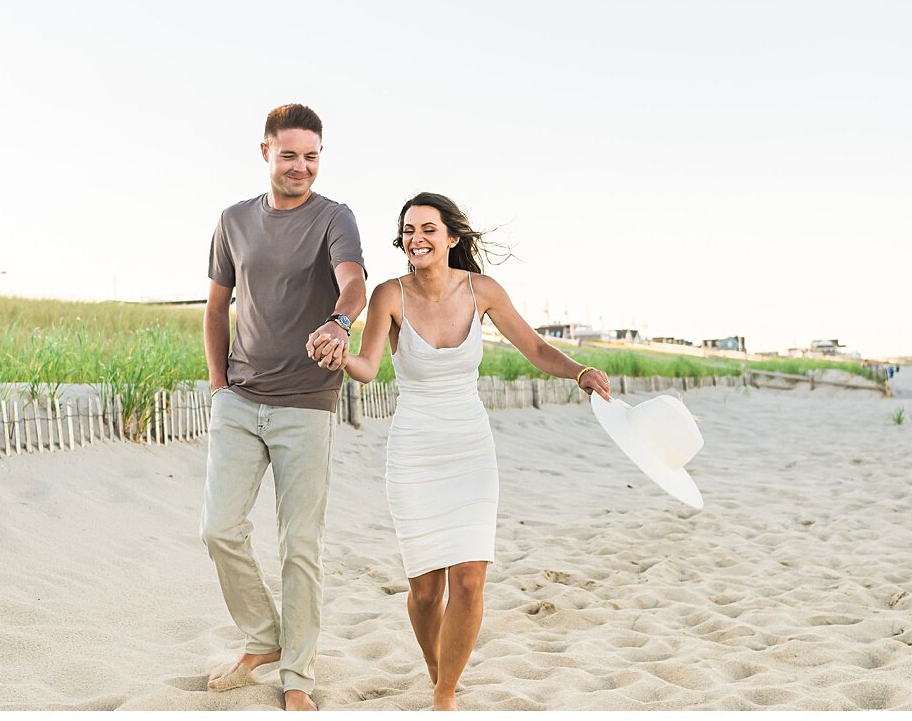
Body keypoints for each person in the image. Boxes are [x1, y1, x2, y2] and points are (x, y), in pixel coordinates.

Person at [308, 192, 612, 711]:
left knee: (469, 581)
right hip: (414, 451)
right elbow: (367, 365)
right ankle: (435, 667)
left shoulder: (483, 291)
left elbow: (536, 348)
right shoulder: (389, 295)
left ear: (452, 237)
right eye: (408, 230)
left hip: (470, 447)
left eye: (428, 228)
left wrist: (579, 372)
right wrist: (338, 357)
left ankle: (445, 695)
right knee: (426, 591)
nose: (416, 238)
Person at [201, 103, 367, 711]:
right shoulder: (233, 220)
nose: (302, 166)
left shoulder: (334, 218)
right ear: (266, 152)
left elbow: (354, 282)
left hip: (307, 405)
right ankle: (264, 638)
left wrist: (340, 321)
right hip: (239, 401)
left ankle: (297, 674)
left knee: (300, 545)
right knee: (218, 529)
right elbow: (217, 306)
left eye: (312, 156)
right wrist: (219, 385)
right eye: (291, 154)